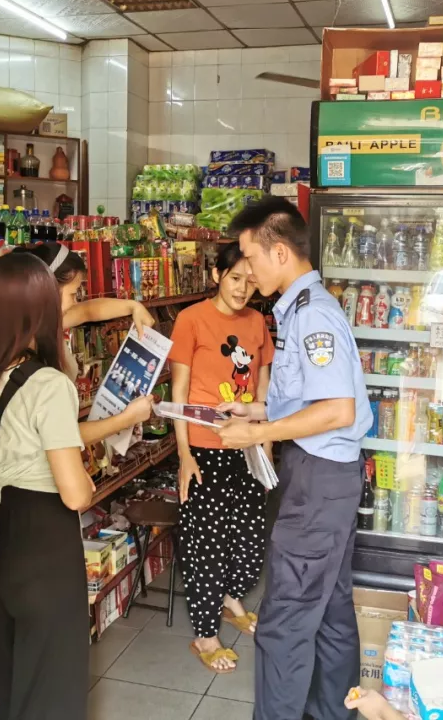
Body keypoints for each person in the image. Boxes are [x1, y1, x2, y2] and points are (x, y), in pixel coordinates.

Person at [214, 197, 372, 720]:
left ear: (279, 252)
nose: (247, 270)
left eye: (250, 256)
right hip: (327, 477)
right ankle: (331, 712)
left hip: (318, 481)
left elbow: (337, 409)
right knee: (329, 611)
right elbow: (309, 399)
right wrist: (256, 409)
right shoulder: (302, 308)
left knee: (283, 622)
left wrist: (260, 431)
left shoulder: (312, 315)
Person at [0, 252, 95, 720]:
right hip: (42, 545)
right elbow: (75, 494)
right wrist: (86, 475)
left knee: (11, 676)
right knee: (52, 686)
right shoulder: (48, 385)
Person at [169, 242, 274, 673]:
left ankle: (231, 598)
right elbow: (178, 392)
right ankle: (205, 634)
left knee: (249, 539)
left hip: (247, 446)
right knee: (207, 544)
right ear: (216, 276)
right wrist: (184, 455)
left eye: (250, 281)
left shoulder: (257, 322)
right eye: (234, 279)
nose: (242, 289)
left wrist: (266, 444)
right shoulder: (191, 319)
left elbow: (263, 383)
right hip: (203, 449)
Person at [14, 243, 154, 445]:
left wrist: (134, 306)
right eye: (73, 294)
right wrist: (126, 418)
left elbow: (88, 311)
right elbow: (61, 437)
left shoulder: (40, 324)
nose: (75, 302)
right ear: (46, 290)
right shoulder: (29, 350)